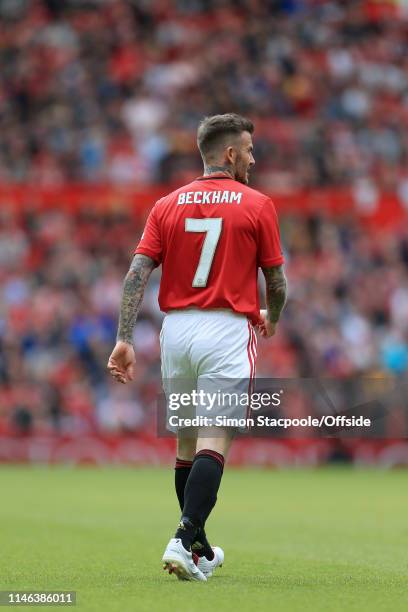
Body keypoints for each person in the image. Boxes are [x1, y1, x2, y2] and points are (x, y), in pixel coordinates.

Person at [107, 113, 287, 582]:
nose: (253, 157)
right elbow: (278, 282)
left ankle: (200, 548)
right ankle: (183, 538)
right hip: (226, 329)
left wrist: (125, 338)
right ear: (230, 154)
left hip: (177, 331)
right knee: (214, 441)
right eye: (248, 149)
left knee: (186, 445)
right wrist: (273, 316)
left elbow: (136, 275)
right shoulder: (257, 204)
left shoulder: (166, 205)